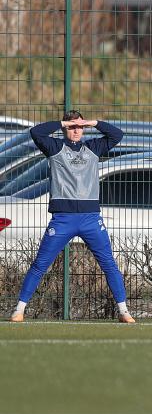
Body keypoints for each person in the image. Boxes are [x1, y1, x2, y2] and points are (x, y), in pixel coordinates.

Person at [10, 111, 133, 323]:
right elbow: (36, 132)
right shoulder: (55, 147)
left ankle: (124, 312)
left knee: (108, 264)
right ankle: (19, 310)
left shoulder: (93, 147)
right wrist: (62, 123)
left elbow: (117, 135)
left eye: (79, 127)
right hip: (63, 219)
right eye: (71, 127)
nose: (76, 131)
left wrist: (93, 122)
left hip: (90, 218)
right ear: (65, 128)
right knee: (40, 264)